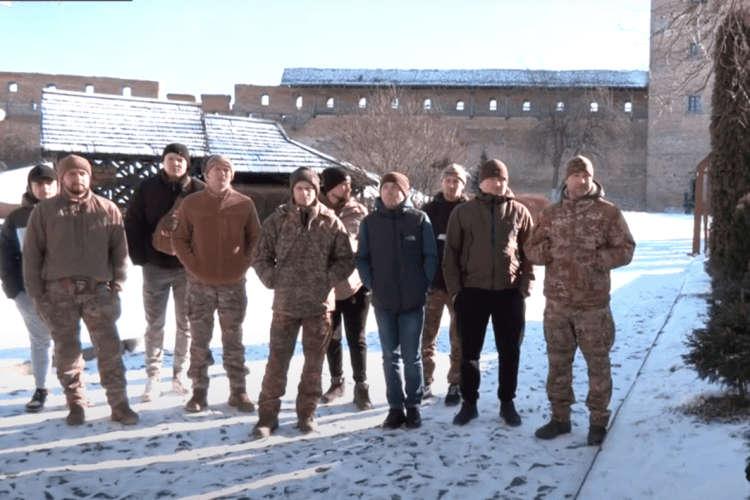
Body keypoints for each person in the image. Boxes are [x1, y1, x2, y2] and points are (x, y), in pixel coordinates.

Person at [525, 155, 635, 446]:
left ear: (592, 178)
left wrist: (599, 259)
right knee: (558, 364)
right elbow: (531, 249)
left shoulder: (608, 213)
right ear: (567, 179)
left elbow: (626, 248)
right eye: (575, 176)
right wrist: (544, 253)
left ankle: (598, 421)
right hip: (557, 305)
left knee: (598, 365)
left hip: (592, 306)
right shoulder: (551, 214)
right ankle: (560, 419)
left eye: (585, 175)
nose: (581, 180)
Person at [23, 154, 138, 426]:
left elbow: (120, 253)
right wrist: (38, 296)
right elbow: (31, 257)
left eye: (82, 174)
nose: (78, 179)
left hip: (98, 292)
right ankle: (75, 402)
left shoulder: (107, 209)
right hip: (57, 293)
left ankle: (119, 403)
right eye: (71, 174)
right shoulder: (45, 211)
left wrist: (116, 287)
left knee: (109, 349)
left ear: (90, 177)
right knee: (66, 351)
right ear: (62, 178)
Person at [252, 167, 355, 437]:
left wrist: (326, 279)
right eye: (300, 188)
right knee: (277, 362)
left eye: (310, 188)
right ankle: (267, 416)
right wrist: (272, 279)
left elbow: (346, 259)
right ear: (292, 190)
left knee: (314, 365)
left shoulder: (330, 222)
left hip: (318, 306)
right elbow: (260, 256)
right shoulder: (277, 221)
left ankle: (306, 414)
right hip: (285, 304)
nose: (305, 193)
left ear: (317, 190)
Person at [443, 159, 535, 428]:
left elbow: (529, 253)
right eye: (491, 178)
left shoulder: (519, 212)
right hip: (472, 292)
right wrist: (457, 292)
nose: (497, 183)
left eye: (502, 179)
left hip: (509, 294)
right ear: (481, 182)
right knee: (470, 351)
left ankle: (507, 402)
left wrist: (524, 288)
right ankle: (469, 403)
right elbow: (451, 255)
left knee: (509, 351)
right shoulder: (464, 212)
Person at [171, 155, 261, 414]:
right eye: (216, 170)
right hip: (200, 285)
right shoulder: (191, 204)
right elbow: (179, 239)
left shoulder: (244, 204)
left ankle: (238, 390)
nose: (221, 174)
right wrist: (194, 267)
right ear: (206, 175)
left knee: (234, 338)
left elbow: (255, 239)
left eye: (226, 170)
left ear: (231, 175)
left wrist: (243, 265)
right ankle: (199, 390)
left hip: (234, 284)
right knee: (199, 339)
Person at [357, 172, 438, 430]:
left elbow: (430, 256)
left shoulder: (418, 219)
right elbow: (362, 258)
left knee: (412, 357)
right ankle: (395, 407)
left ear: (405, 193)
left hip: (413, 302)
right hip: (383, 301)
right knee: (389, 356)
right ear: (380, 192)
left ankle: (413, 406)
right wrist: (372, 284)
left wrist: (422, 284)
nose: (390, 193)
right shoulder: (370, 223)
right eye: (386, 188)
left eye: (396, 189)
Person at [125, 143, 205, 402]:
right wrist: (140, 257)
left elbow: (210, 228)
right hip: (155, 267)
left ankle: (180, 373)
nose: (176, 163)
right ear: (163, 161)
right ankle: (153, 377)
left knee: (186, 325)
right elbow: (133, 221)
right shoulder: (147, 187)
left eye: (180, 159)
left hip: (186, 269)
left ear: (187, 163)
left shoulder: (198, 190)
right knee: (154, 325)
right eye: (171, 159)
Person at [0, 165, 58, 412]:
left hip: (65, 291)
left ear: (57, 185)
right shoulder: (16, 219)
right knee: (40, 341)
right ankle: (41, 387)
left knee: (68, 340)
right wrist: (15, 291)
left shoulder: (69, 212)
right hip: (29, 292)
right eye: (38, 184)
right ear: (30, 187)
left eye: (49, 183)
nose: (44, 188)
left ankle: (73, 389)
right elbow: (5, 256)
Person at [318, 166, 373, 411]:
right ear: (329, 189)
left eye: (349, 184)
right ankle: (336, 382)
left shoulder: (358, 211)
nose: (348, 189)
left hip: (354, 285)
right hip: (326, 286)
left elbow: (355, 244)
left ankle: (361, 386)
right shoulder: (314, 210)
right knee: (332, 337)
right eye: (342, 184)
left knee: (357, 338)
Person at [420, 163, 470, 406]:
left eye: (456, 182)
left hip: (460, 286)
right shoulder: (428, 210)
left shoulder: (471, 210)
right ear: (442, 183)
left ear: (463, 184)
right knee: (427, 335)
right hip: (433, 285)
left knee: (458, 336)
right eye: (448, 181)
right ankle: (425, 380)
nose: (452, 186)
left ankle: (455, 383)